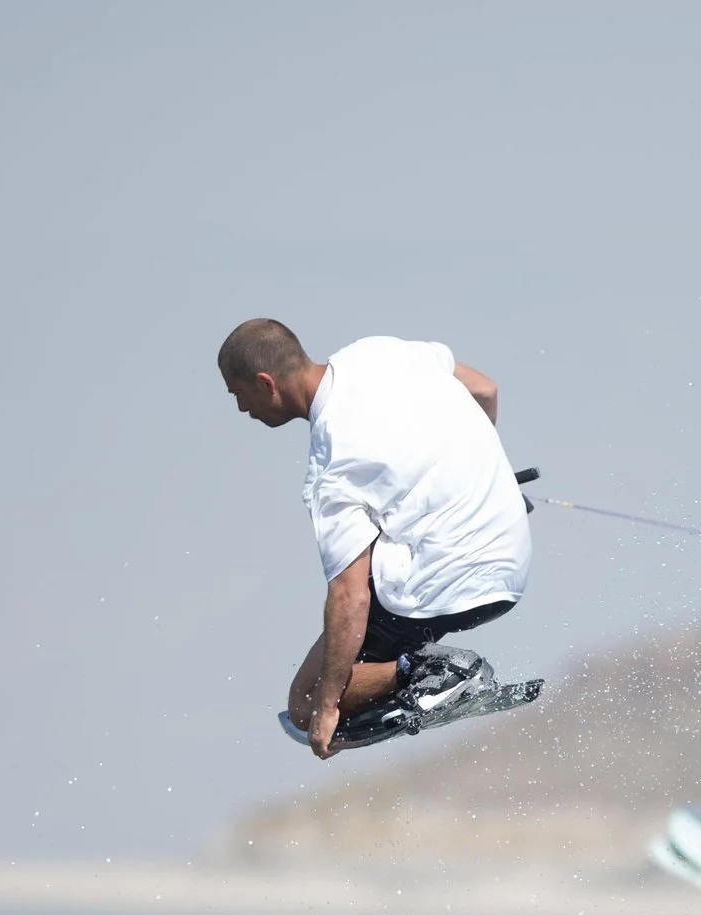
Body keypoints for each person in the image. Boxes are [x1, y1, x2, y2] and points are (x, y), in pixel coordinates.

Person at [219, 319, 531, 759]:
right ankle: (425, 675)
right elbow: (484, 390)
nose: (240, 409)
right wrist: (482, 482)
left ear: (265, 383)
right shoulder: (380, 351)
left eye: (238, 395)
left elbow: (350, 594)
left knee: (304, 703)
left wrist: (327, 707)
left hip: (448, 586)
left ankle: (433, 671)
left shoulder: (331, 467)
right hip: (510, 564)